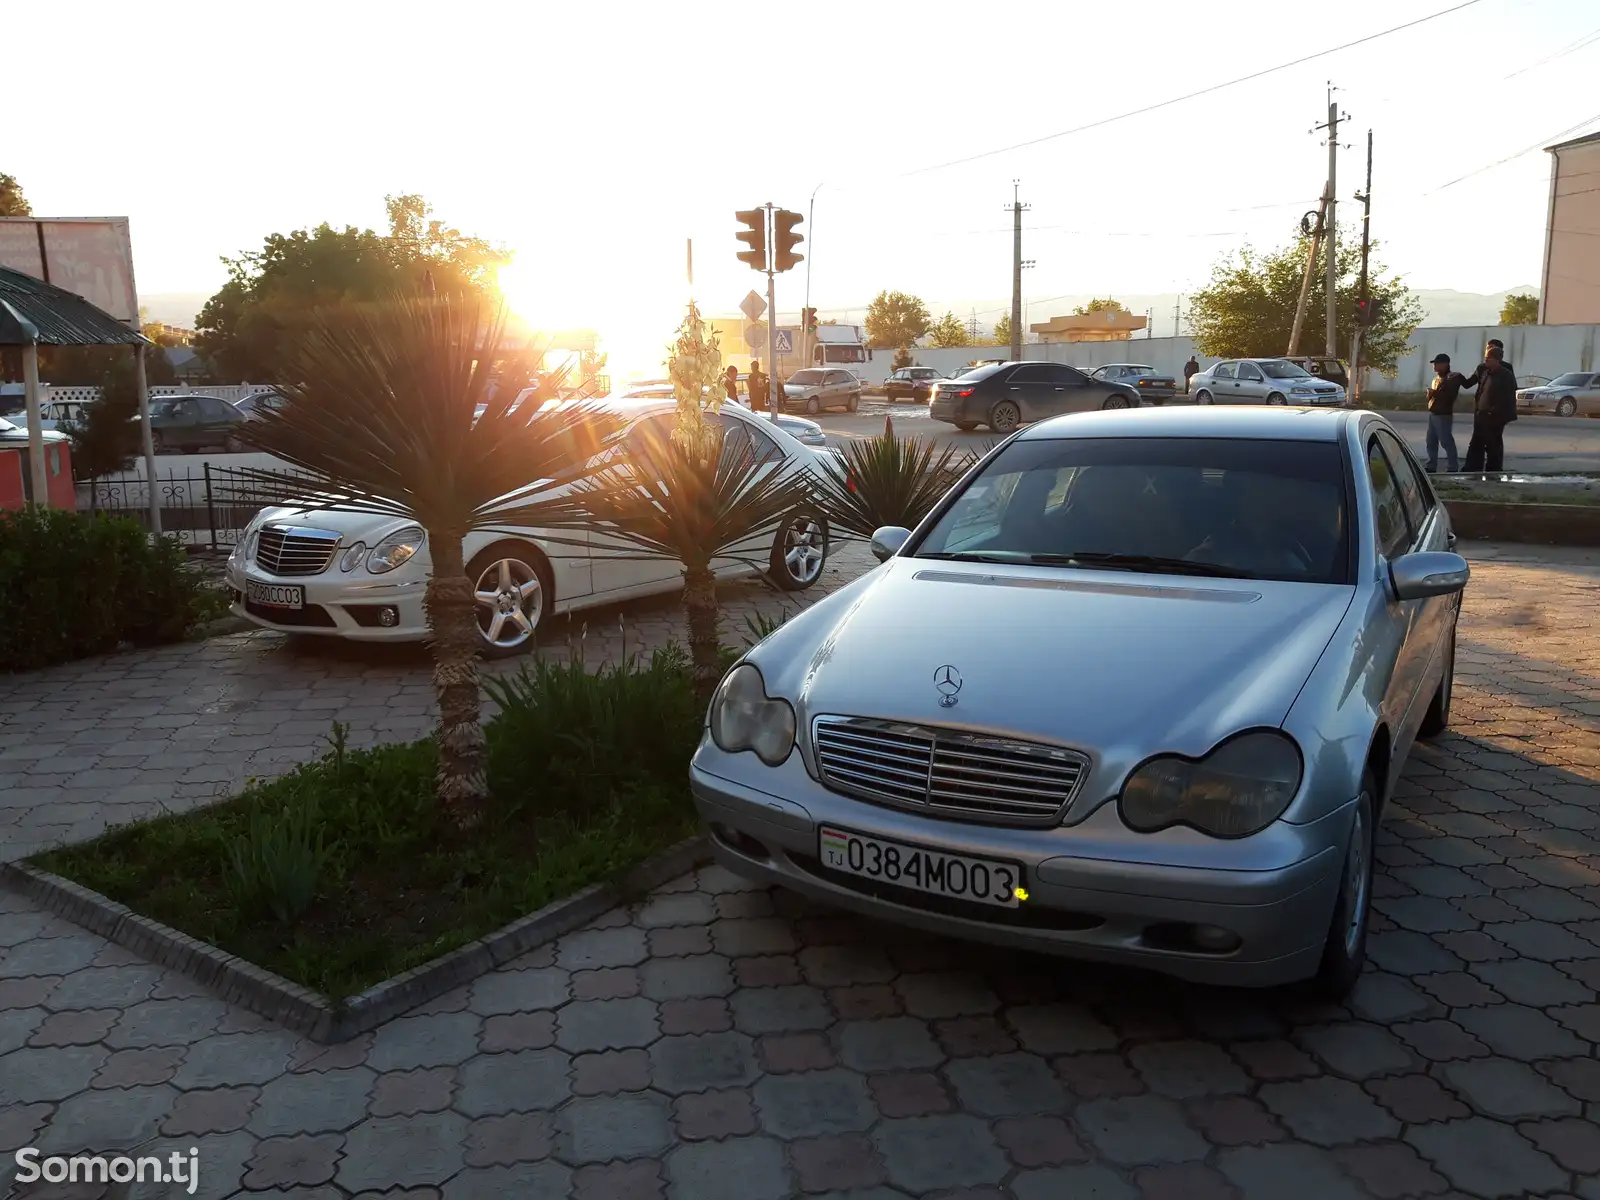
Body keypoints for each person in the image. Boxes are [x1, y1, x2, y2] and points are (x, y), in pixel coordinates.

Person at [1461, 345, 1517, 474]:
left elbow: (1506, 397)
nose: (1486, 361)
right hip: (1481, 414)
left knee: (1493, 444)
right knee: (1476, 442)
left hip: (1495, 416)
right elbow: (1478, 389)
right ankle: (1473, 469)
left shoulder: (1505, 375)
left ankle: (1493, 471)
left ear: (1497, 360)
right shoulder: (1485, 372)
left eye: (1489, 358)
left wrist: (1493, 411)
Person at [1424, 353, 1464, 473]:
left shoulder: (1452, 378)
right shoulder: (1436, 379)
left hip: (1443, 414)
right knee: (1431, 441)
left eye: (1437, 364)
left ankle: (1453, 466)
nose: (1434, 366)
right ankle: (1431, 465)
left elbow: (1448, 396)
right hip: (1433, 413)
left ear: (1445, 364)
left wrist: (1434, 393)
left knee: (1446, 441)